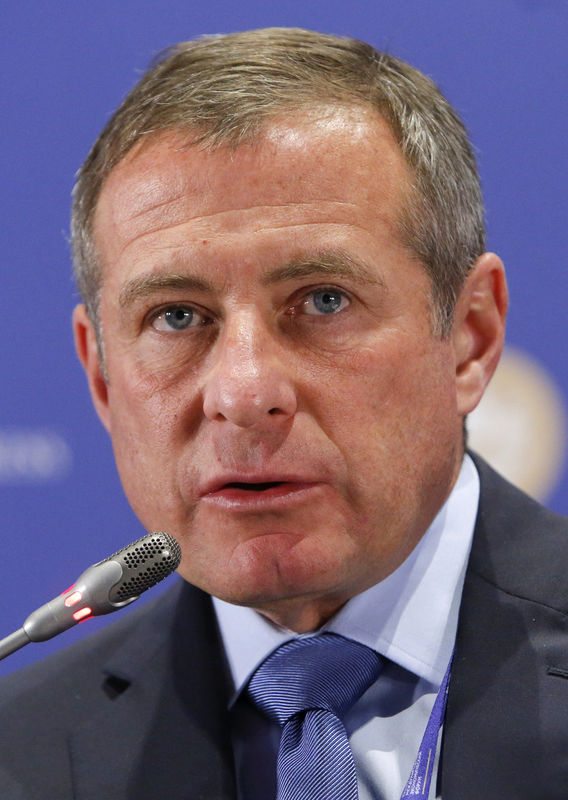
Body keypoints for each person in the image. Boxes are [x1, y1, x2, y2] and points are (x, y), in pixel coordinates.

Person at [0, 27, 566, 800]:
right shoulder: (19, 755)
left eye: (323, 301)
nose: (242, 392)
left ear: (470, 338)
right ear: (101, 376)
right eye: (175, 316)